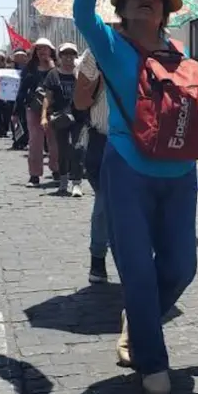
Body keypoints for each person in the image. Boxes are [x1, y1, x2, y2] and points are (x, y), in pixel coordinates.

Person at [73, 0, 198, 394]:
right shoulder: (112, 47)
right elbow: (82, 13)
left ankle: (138, 322)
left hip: (181, 176)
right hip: (127, 170)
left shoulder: (185, 59)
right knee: (138, 269)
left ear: (165, 12)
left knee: (182, 267)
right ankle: (152, 358)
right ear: (122, 11)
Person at [73, 48, 110, 283]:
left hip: (141, 143)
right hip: (104, 141)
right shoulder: (96, 52)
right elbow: (80, 101)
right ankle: (98, 257)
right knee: (105, 202)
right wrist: (105, 77)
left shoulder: (153, 46)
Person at [14, 38, 59, 186]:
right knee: (35, 142)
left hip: (54, 108)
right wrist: (16, 110)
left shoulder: (57, 67)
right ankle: (34, 174)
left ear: (51, 51)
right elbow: (22, 89)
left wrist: (52, 66)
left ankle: (56, 169)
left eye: (45, 49)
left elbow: (60, 84)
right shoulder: (30, 68)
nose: (42, 52)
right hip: (33, 108)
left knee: (54, 141)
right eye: (39, 49)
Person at [49, 42, 85, 196]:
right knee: (63, 150)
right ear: (60, 57)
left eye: (71, 55)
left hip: (79, 116)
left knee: (77, 148)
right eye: (65, 54)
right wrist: (45, 116)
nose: (68, 58)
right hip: (60, 117)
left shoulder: (81, 73)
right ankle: (63, 181)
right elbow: (47, 96)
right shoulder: (53, 74)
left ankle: (77, 183)